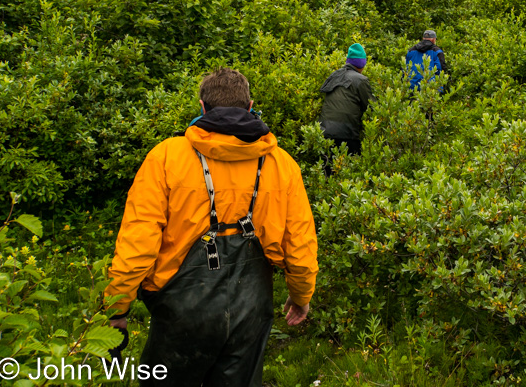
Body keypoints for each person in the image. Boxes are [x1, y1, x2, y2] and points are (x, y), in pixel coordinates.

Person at [105, 68, 319, 387]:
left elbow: (138, 243)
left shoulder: (166, 158)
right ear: (250, 107)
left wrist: (117, 306)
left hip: (180, 314)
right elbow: (300, 245)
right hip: (251, 311)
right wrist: (301, 296)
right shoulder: (281, 164)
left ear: (202, 108)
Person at [319, 43, 375, 162]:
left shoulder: (334, 75)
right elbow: (372, 107)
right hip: (347, 134)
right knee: (349, 174)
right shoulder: (361, 80)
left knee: (327, 173)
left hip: (324, 131)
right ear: (362, 63)